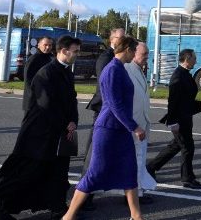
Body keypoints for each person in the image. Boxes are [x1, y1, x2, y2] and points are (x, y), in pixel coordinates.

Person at [0, 35, 81, 220]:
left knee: (58, 171)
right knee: (25, 171)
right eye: (75, 51)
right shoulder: (46, 72)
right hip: (38, 132)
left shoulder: (67, 72)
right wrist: (66, 123)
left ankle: (58, 207)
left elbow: (72, 100)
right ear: (64, 51)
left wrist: (74, 120)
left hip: (58, 131)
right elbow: (46, 105)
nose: (77, 55)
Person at [62, 36, 146, 220]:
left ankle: (136, 216)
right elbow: (114, 104)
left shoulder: (121, 69)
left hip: (121, 130)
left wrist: (130, 127)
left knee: (129, 170)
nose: (136, 55)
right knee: (95, 173)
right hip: (108, 129)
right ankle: (68, 216)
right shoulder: (112, 70)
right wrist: (135, 127)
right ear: (128, 49)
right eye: (134, 50)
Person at [147, 48, 201, 189]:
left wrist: (197, 105)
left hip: (185, 117)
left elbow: (186, 97)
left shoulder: (185, 74)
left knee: (176, 146)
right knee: (187, 147)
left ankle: (150, 168)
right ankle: (187, 178)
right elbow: (172, 101)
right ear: (187, 59)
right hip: (179, 119)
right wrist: (172, 122)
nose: (195, 61)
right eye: (194, 58)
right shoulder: (178, 75)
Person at [81, 27, 124, 209]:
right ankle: (84, 198)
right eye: (122, 38)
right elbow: (106, 87)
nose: (125, 41)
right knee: (94, 154)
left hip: (110, 111)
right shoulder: (106, 58)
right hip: (103, 110)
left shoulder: (117, 57)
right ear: (112, 39)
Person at [124, 41, 157, 204]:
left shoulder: (139, 70)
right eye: (144, 54)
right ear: (133, 53)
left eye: (147, 54)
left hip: (141, 123)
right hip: (133, 124)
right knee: (135, 161)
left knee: (139, 160)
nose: (147, 57)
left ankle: (137, 193)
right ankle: (134, 196)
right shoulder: (127, 69)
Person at [22, 36, 54, 111]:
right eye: (45, 45)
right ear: (39, 45)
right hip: (35, 101)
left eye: (50, 45)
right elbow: (29, 81)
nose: (48, 47)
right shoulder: (33, 60)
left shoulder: (52, 59)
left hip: (48, 100)